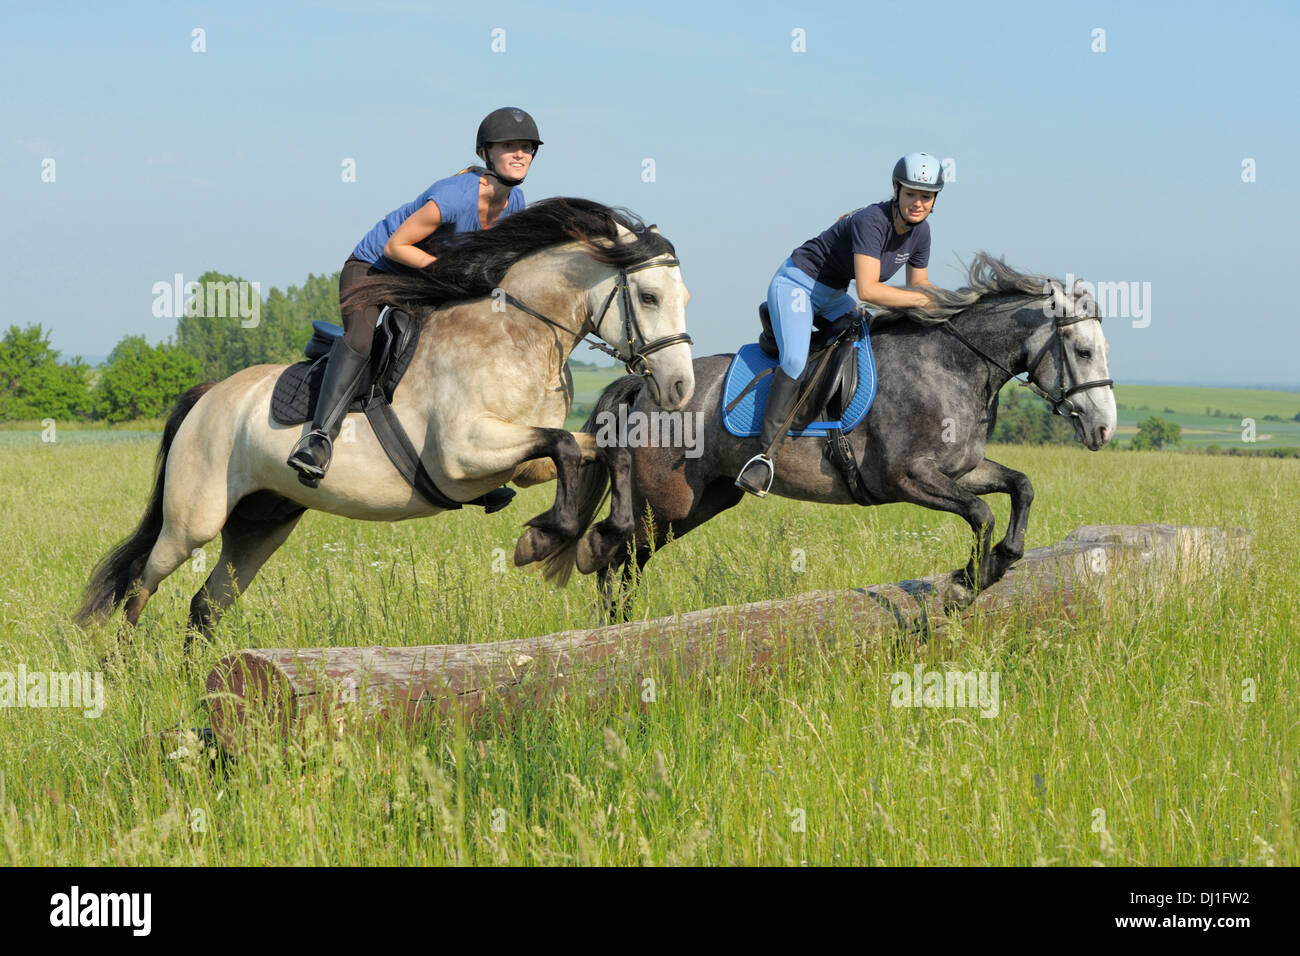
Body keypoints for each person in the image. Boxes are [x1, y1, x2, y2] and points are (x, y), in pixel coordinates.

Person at [287, 107, 542, 508]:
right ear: (485, 153)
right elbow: (396, 247)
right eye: (509, 146)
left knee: (458, 342)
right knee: (359, 339)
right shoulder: (455, 196)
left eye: (526, 148)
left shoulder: (516, 202)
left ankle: (466, 461)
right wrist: (452, 274)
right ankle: (318, 439)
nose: (519, 153)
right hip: (374, 269)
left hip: (425, 279)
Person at [736, 152, 948, 497]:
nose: (918, 202)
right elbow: (868, 290)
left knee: (866, 337)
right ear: (896, 190)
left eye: (926, 196)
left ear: (935, 200)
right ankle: (764, 456)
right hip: (797, 284)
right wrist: (926, 300)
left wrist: (958, 300)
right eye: (911, 193)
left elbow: (919, 287)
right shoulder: (872, 221)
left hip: (832, 295)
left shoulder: (921, 234)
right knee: (794, 360)